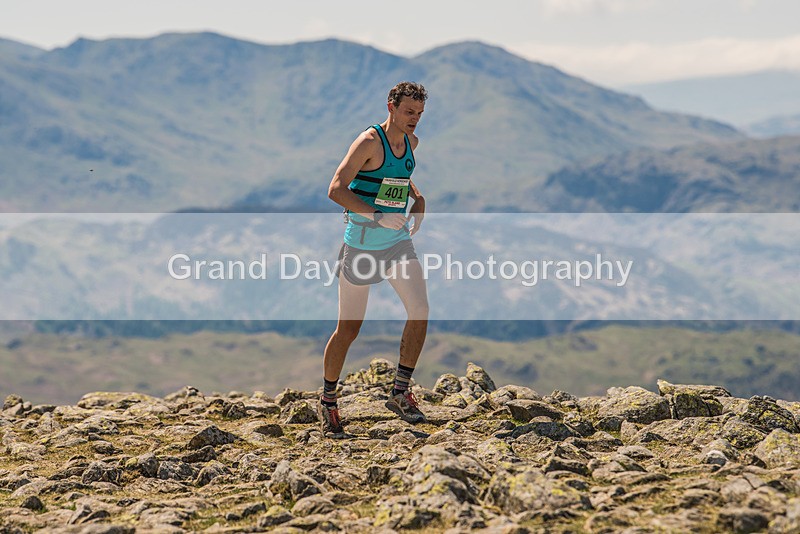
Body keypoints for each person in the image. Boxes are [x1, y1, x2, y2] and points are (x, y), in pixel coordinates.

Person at [319, 81, 429, 437]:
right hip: (362, 245)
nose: (415, 120)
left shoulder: (411, 143)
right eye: (409, 112)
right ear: (391, 106)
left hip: (397, 244)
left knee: (420, 311)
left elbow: (399, 177)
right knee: (349, 330)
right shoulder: (368, 142)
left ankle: (399, 392)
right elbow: (336, 188)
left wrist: (419, 199)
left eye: (420, 114)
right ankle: (329, 401)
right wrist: (377, 216)